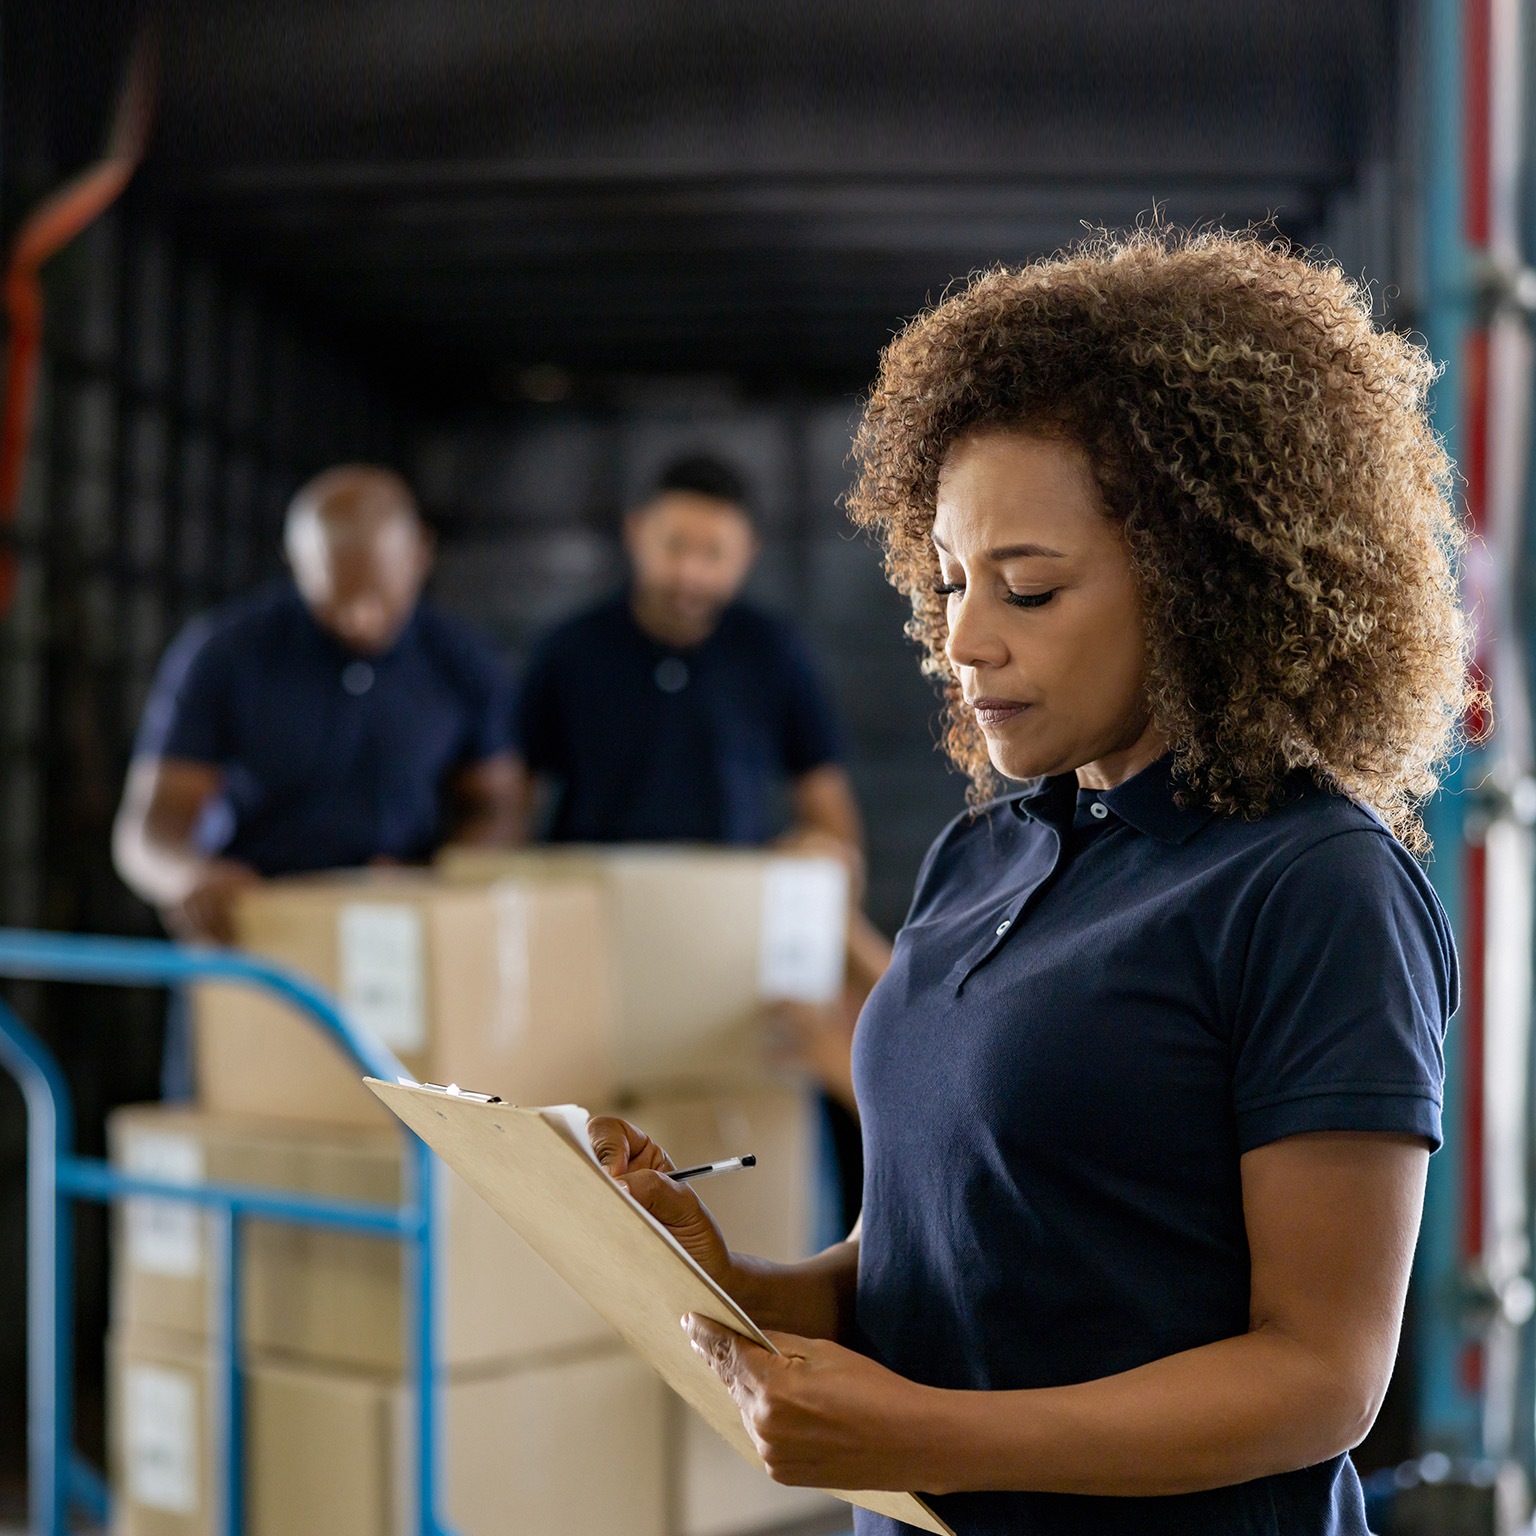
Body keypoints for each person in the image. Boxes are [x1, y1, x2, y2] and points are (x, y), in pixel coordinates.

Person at [586, 229, 1470, 1535]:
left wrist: (928, 1435)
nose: (961, 638)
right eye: (946, 579)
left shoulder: (1315, 885)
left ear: (1201, 587)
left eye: (1029, 588)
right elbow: (945, 1257)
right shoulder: (982, 851)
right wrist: (741, 1284)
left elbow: (1319, 1378)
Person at [115, 464, 519, 943]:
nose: (360, 620)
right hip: (255, 930)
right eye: (337, 601)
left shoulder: (465, 664)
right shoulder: (226, 655)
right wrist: (187, 876)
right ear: (297, 564)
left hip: (398, 931)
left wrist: (438, 878)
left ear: (419, 555)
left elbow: (499, 808)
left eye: (380, 599)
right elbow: (148, 830)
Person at [510, 453, 861, 852]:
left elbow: (830, 816)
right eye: (674, 547)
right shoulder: (569, 649)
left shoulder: (775, 652)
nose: (689, 574)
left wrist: (817, 861)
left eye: (713, 554)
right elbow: (512, 802)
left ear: (748, 553)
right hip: (593, 893)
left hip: (730, 898)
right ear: (636, 532)